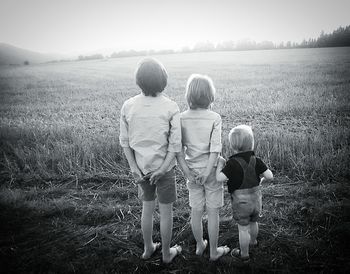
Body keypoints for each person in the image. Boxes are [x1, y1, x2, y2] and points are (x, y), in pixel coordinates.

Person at [119, 58, 182, 263]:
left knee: (147, 209)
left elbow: (125, 142)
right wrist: (164, 169)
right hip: (165, 170)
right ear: (163, 79)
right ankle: (166, 254)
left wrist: (133, 168)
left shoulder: (128, 106)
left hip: (141, 170)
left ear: (139, 80)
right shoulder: (171, 107)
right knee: (166, 212)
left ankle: (147, 249)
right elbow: (175, 144)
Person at [176, 74, 230, 261]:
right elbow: (216, 149)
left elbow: (178, 149)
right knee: (213, 212)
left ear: (189, 96)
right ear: (210, 96)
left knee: (196, 211)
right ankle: (214, 252)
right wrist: (208, 172)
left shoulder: (181, 118)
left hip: (192, 172)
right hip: (212, 171)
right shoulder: (214, 118)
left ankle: (200, 245)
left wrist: (187, 172)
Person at [216, 125, 273, 263]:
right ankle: (253, 241)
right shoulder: (256, 160)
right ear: (252, 143)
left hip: (241, 203)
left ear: (233, 146)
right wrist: (261, 180)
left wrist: (220, 165)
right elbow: (270, 176)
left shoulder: (231, 163)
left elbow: (219, 178)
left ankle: (244, 254)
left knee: (243, 229)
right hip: (256, 200)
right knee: (254, 222)